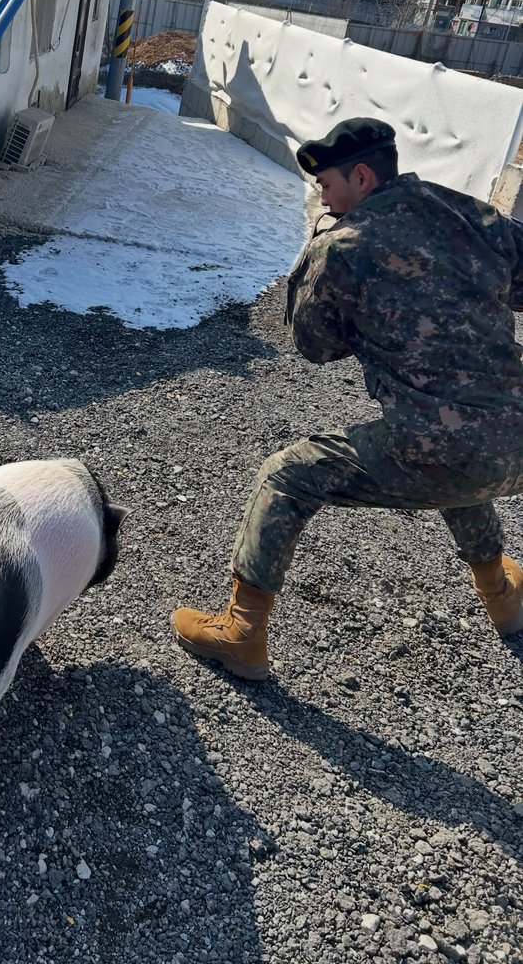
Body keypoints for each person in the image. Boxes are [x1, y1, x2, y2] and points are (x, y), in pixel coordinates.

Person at [171, 116, 523, 680]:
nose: (322, 198)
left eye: (326, 186)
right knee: (454, 455)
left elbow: (314, 345)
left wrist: (318, 255)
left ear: (361, 175)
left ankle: (241, 632)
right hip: (518, 441)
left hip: (442, 447)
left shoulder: (347, 244)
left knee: (285, 475)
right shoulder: (470, 212)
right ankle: (502, 595)